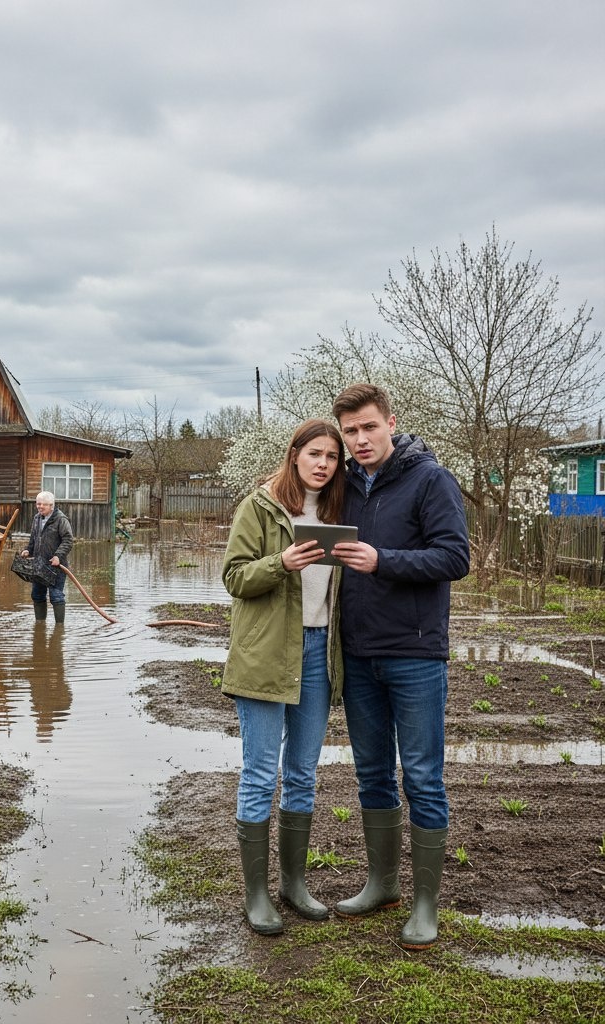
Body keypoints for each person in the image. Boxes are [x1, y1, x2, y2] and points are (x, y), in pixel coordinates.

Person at [329, 383, 470, 950]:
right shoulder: (343, 485)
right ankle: (382, 885)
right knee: (372, 774)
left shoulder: (430, 479)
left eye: (368, 427)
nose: (360, 440)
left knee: (423, 778)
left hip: (414, 654)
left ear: (391, 422)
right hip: (358, 654)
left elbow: (454, 556)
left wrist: (382, 561)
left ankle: (425, 904)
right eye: (350, 432)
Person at [221, 419, 345, 935]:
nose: (323, 464)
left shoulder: (341, 512)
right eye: (314, 453)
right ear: (294, 455)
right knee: (259, 773)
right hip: (265, 655)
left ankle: (294, 884)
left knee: (302, 773)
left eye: (333, 457)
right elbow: (234, 577)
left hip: (318, 653)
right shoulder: (260, 507)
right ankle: (257, 895)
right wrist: (281, 562)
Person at [19, 491, 73, 624]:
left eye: (43, 504)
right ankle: (40, 624)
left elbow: (68, 540)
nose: (40, 506)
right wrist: (27, 550)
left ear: (51, 505)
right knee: (37, 595)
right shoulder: (37, 518)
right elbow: (33, 539)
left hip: (56, 566)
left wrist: (58, 556)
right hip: (39, 565)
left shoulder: (61, 519)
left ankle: (59, 628)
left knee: (56, 596)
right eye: (38, 503)